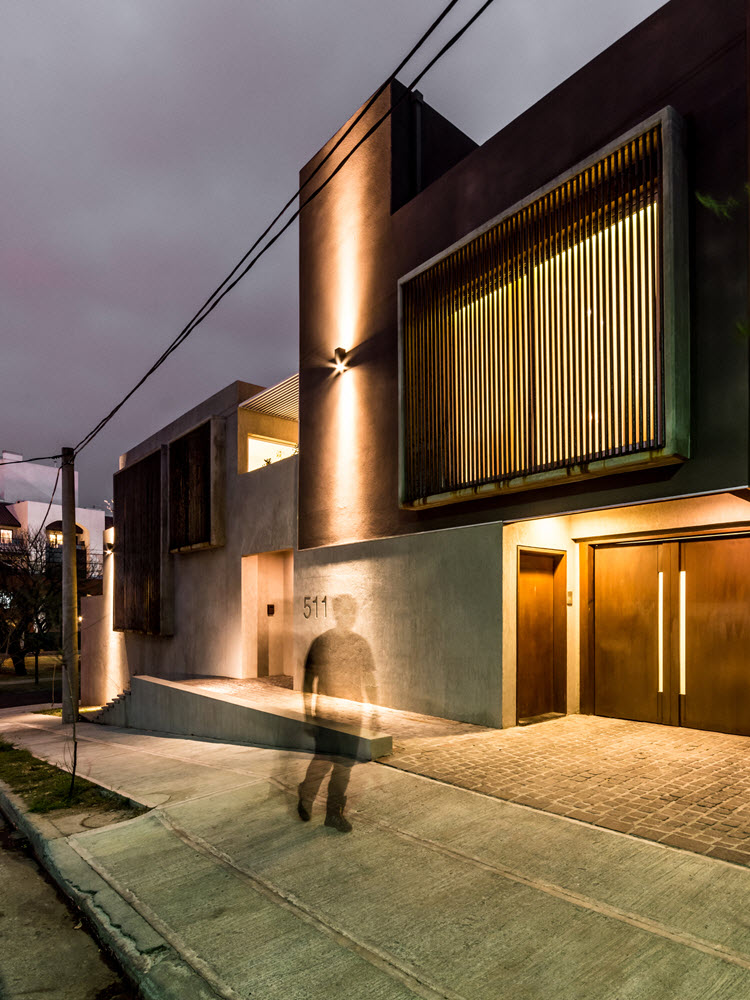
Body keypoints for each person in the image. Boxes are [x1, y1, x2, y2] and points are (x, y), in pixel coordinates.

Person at [297, 594, 378, 832]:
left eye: (351, 612)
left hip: (352, 715)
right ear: (336, 613)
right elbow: (308, 681)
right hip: (327, 716)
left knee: (344, 766)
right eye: (344, 611)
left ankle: (333, 813)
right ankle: (306, 795)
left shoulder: (360, 643)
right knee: (322, 761)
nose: (348, 616)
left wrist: (374, 711)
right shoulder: (321, 643)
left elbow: (370, 680)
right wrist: (309, 715)